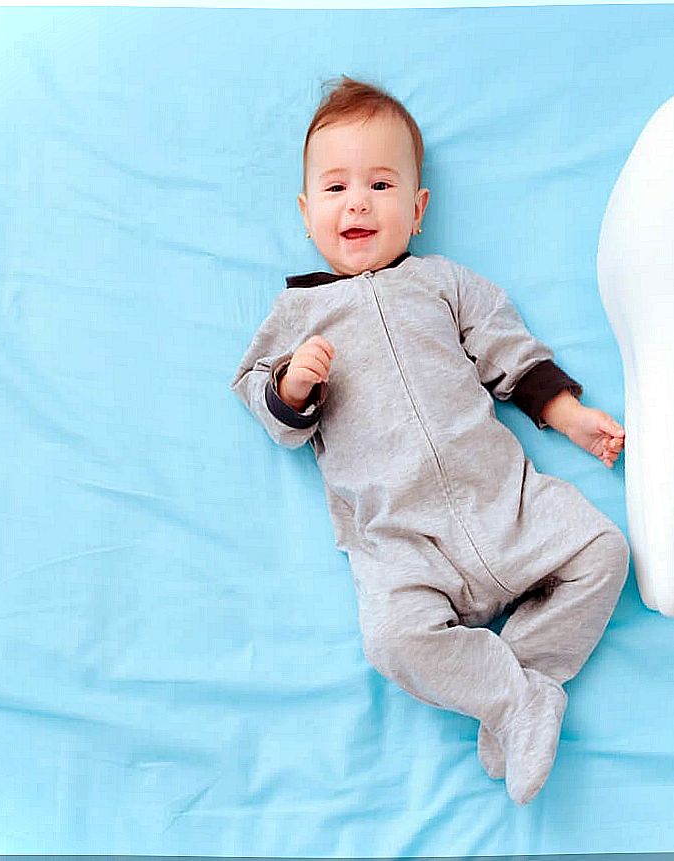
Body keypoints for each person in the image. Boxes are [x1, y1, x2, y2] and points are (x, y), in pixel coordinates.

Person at [230, 76, 629, 805]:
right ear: (306, 212)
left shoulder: (444, 283)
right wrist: (292, 387)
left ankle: (519, 684)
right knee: (391, 640)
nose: (358, 201)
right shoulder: (297, 313)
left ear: (416, 211)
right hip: (400, 541)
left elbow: (509, 351)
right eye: (337, 186)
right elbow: (259, 394)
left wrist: (570, 414)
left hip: (501, 503)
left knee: (605, 552)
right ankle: (514, 701)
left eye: (381, 184)